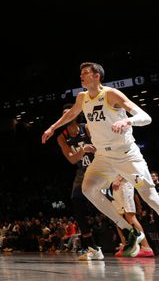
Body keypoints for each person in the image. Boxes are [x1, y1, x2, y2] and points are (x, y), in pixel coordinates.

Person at [41, 62, 159, 265]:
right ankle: (129, 231)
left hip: (127, 156)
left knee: (152, 198)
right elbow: (72, 113)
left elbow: (145, 117)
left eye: (85, 73)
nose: (81, 77)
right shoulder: (82, 97)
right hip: (104, 158)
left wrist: (128, 121)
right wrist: (52, 127)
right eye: (81, 73)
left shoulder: (111, 95)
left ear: (96, 76)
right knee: (88, 189)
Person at [55, 105, 102, 260]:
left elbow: (99, 148)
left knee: (112, 204)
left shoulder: (86, 128)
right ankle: (92, 247)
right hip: (82, 172)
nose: (66, 116)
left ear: (75, 115)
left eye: (68, 113)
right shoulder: (62, 137)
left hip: (98, 168)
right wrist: (83, 150)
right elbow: (72, 159)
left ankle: (130, 239)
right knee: (76, 203)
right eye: (63, 114)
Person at [111, 176, 154, 257]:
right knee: (118, 218)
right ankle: (125, 246)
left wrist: (118, 178)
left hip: (124, 183)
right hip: (115, 184)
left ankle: (146, 247)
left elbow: (125, 165)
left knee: (130, 216)